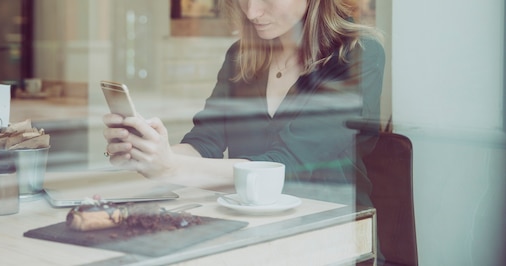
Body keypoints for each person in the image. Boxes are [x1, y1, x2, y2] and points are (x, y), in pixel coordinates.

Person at [103, 0, 385, 204]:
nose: (251, 11)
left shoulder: (357, 55)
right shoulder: (241, 55)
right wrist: (148, 153)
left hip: (331, 229)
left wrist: (170, 167)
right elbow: (204, 143)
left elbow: (289, 166)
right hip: (247, 223)